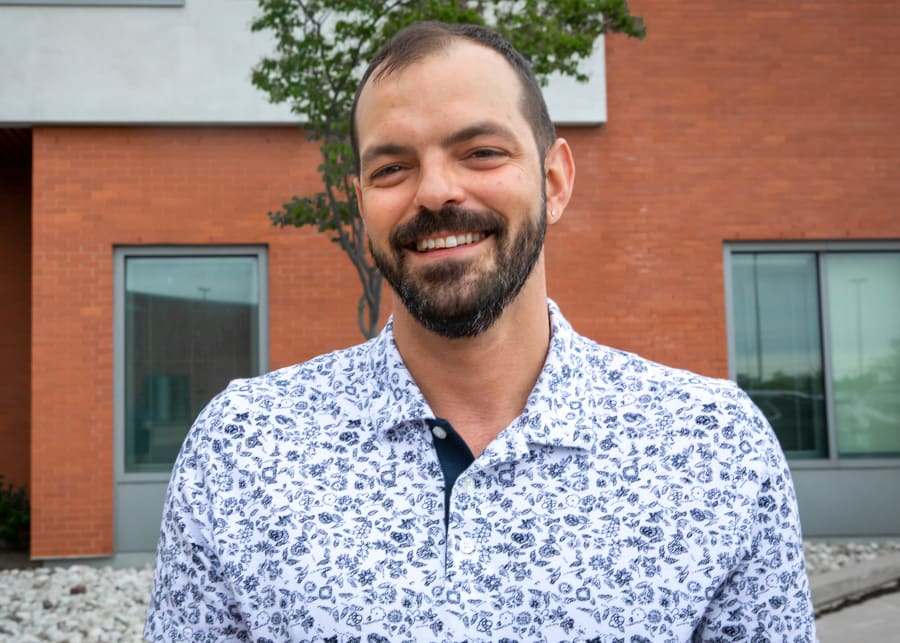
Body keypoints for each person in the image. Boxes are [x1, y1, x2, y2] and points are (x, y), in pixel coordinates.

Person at [145, 21, 816, 642]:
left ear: (553, 180)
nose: (435, 191)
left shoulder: (714, 449)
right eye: (392, 168)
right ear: (361, 204)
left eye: (481, 152)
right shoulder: (241, 452)